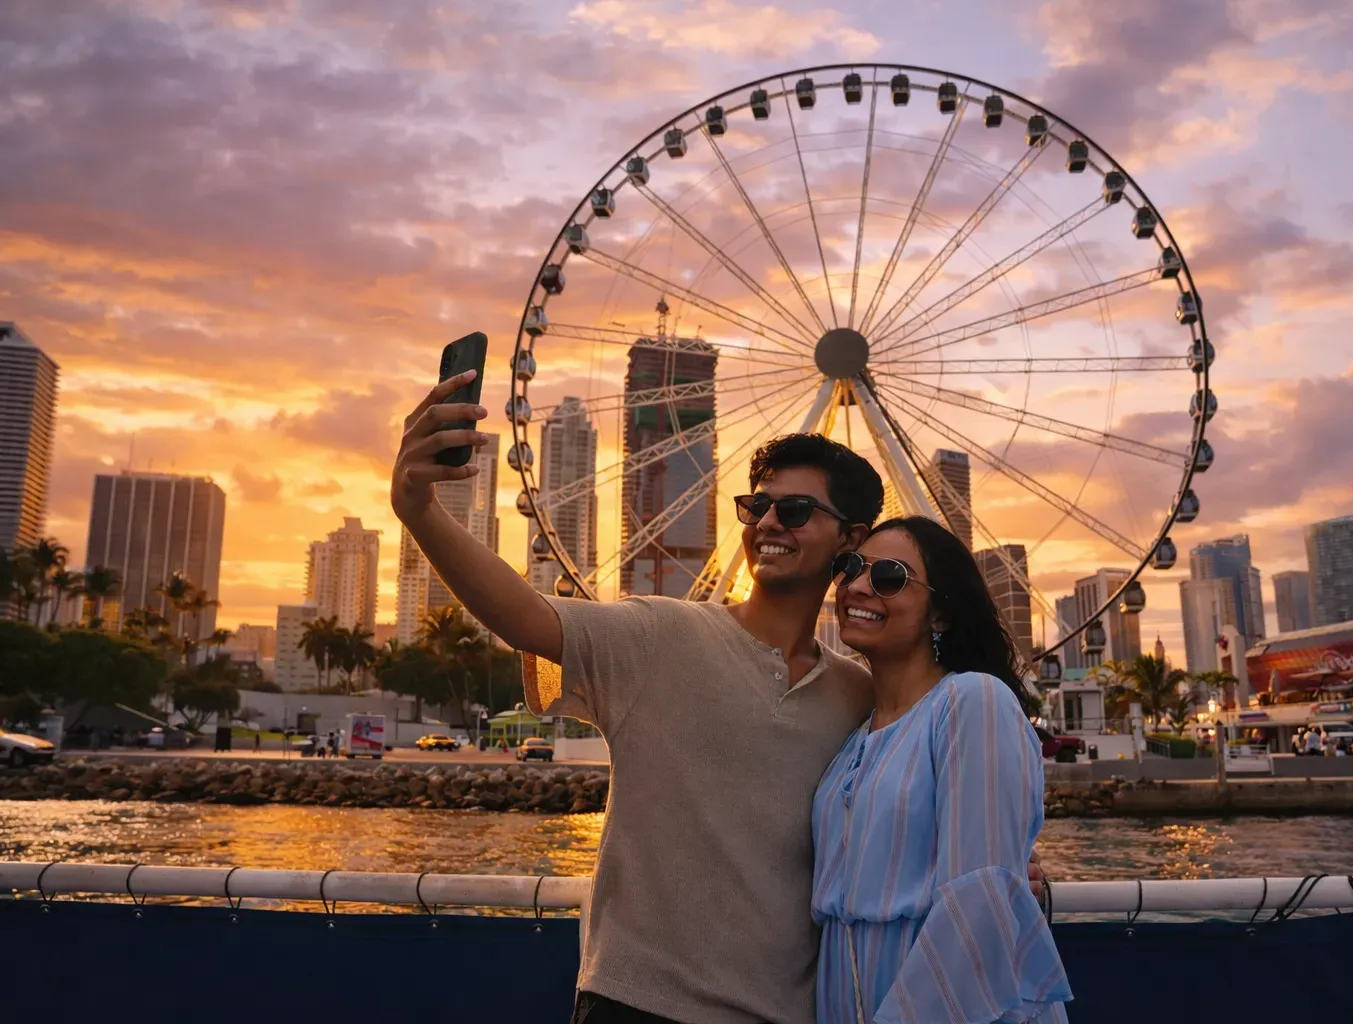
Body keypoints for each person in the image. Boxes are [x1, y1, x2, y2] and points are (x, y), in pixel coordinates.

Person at [390, 371, 1045, 1024]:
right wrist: (420, 509)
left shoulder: (857, 699)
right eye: (754, 507)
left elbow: (909, 817)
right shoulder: (659, 634)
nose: (766, 523)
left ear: (849, 539)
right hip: (635, 1004)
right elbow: (525, 615)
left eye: (792, 511)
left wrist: (1007, 862)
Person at [813, 516, 1071, 1023]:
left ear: (941, 616)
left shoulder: (972, 701)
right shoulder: (852, 740)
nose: (857, 586)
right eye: (850, 568)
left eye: (889, 576)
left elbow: (979, 909)